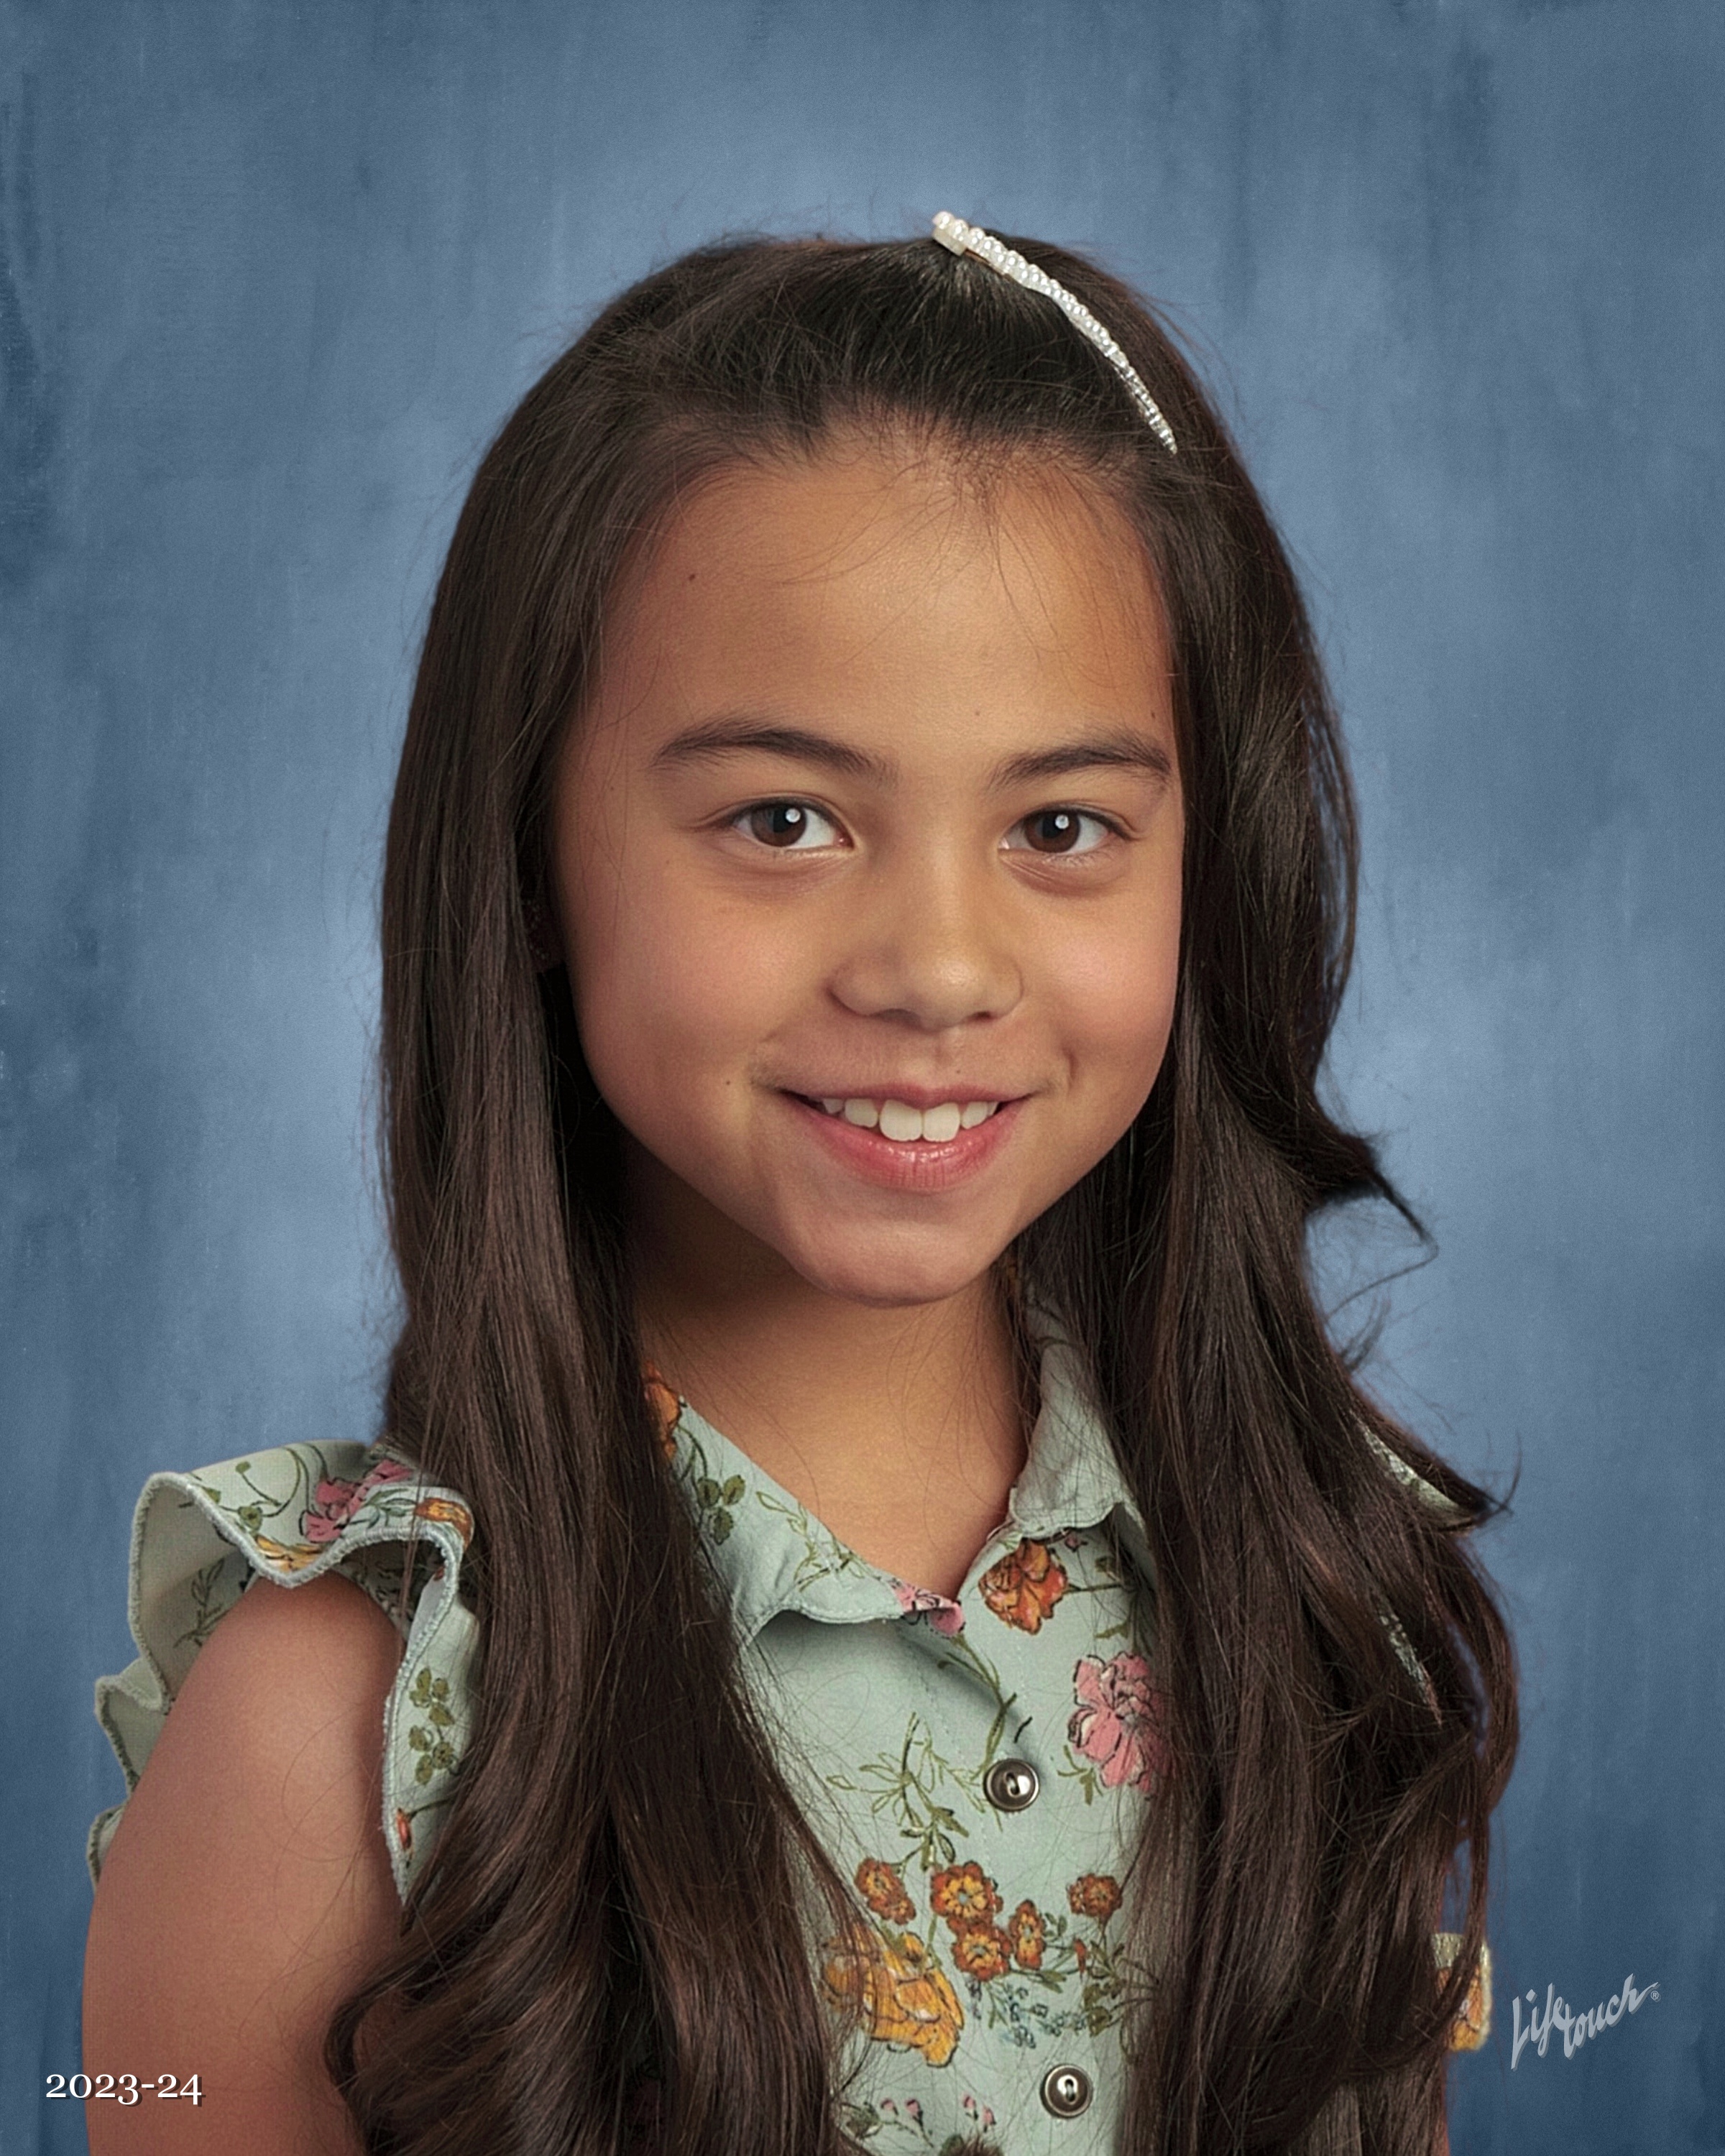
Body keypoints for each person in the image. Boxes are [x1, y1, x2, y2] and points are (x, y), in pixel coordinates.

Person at [80, 216, 1516, 2156]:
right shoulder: (335, 1732)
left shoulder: (1313, 1600)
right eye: (784, 819)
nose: (937, 969)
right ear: (529, 855)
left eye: (1062, 825)